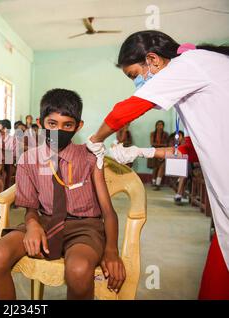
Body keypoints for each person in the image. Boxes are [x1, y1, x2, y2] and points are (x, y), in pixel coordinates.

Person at [86, 30, 229, 299]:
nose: (137, 83)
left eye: (134, 75)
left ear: (153, 59)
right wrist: (143, 150)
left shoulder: (189, 64)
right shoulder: (191, 81)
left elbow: (126, 110)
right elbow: (192, 150)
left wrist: (95, 139)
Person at [0, 88, 125, 300]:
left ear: (78, 126)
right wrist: (32, 225)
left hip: (85, 228)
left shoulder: (89, 157)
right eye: (52, 124)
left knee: (78, 269)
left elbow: (108, 211)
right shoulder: (28, 160)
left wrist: (111, 251)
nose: (58, 130)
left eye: (67, 125)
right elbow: (31, 209)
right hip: (45, 222)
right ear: (41, 123)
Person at [149, 120, 169, 190]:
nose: (159, 126)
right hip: (154, 151)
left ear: (163, 126)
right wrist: (161, 145)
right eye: (158, 125)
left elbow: (167, 144)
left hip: (163, 151)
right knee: (155, 166)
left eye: (161, 125)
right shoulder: (152, 133)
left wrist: (159, 145)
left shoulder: (166, 134)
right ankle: (153, 181)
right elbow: (152, 143)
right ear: (156, 126)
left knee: (161, 166)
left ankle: (158, 183)